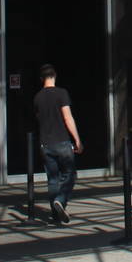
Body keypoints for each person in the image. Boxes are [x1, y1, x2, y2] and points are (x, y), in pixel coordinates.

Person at [33, 63, 83, 223]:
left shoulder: (37, 97)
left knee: (52, 179)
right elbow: (67, 117)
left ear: (41, 78)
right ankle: (60, 201)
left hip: (45, 143)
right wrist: (77, 139)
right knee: (69, 174)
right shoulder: (62, 93)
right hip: (61, 140)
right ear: (54, 76)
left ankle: (55, 214)